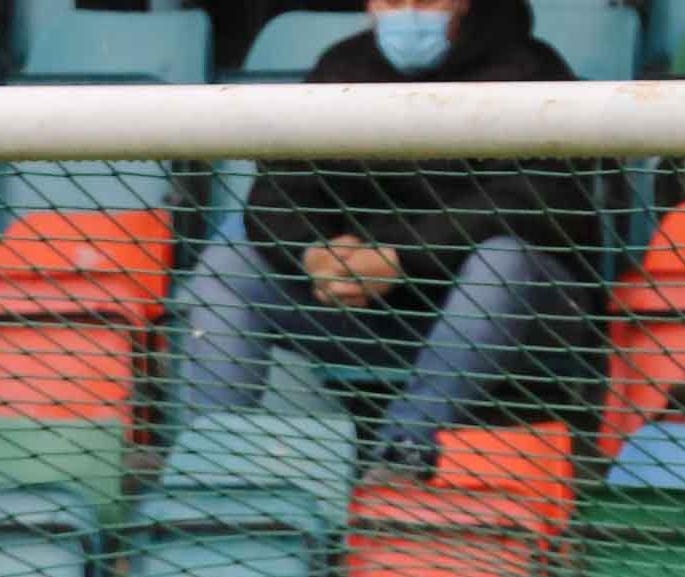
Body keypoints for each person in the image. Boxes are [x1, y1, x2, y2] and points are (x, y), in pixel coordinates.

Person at [172, 0, 597, 482]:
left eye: (427, 0)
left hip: (520, 317)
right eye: (393, 0)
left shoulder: (532, 70)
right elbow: (279, 193)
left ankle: (403, 456)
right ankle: (210, 465)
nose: (408, 12)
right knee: (229, 262)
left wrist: (401, 257)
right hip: (375, 314)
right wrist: (315, 254)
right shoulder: (341, 68)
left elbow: (536, 202)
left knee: (503, 261)